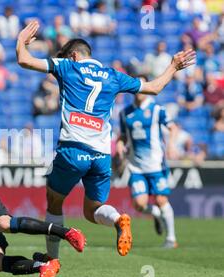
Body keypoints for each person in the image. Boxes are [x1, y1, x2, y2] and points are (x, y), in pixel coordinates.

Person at [15, 20, 195, 261]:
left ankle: (52, 260)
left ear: (75, 55)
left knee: (54, 201)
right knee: (92, 210)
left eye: (66, 57)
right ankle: (118, 219)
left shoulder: (67, 66)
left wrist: (21, 40)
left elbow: (24, 60)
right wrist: (173, 66)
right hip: (101, 157)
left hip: (73, 150)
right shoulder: (114, 76)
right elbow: (153, 88)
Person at [116, 76, 178, 248]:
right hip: (136, 167)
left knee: (161, 199)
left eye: (143, 84)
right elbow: (121, 136)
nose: (139, 89)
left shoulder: (157, 109)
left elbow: (173, 128)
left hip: (156, 164)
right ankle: (156, 215)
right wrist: (120, 145)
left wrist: (171, 145)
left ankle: (171, 239)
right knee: (139, 204)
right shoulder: (125, 113)